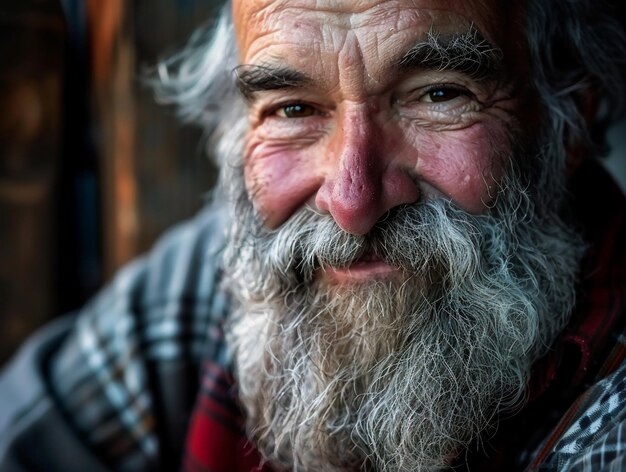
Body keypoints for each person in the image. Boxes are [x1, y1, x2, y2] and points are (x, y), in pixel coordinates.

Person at [1, 0, 626, 470]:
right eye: (293, 108)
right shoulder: (223, 279)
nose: (351, 202)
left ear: (571, 116)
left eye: (438, 95)